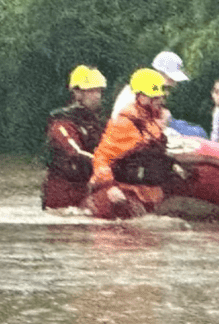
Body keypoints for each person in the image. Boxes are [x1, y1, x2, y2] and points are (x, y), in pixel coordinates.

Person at [85, 68, 174, 220]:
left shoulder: (152, 122)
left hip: (144, 191)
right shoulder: (124, 124)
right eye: (154, 97)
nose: (159, 101)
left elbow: (154, 155)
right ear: (140, 96)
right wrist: (109, 187)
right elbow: (101, 157)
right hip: (119, 191)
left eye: (159, 97)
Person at [42, 65, 108, 210]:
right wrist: (106, 166)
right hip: (63, 193)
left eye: (99, 91)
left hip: (87, 188)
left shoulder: (97, 122)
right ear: (77, 93)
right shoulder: (62, 122)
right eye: (91, 91)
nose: (97, 96)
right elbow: (75, 151)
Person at [111, 51, 189, 119]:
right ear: (158, 73)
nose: (174, 83)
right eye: (171, 79)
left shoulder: (153, 91)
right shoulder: (139, 94)